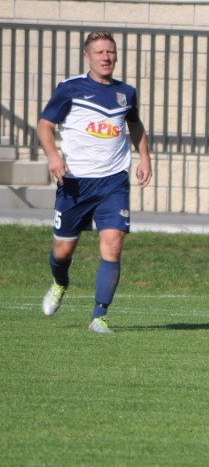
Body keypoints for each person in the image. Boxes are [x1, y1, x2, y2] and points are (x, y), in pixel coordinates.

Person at [37, 31, 153, 334]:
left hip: (113, 182)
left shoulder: (126, 92)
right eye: (100, 52)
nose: (106, 57)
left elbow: (135, 124)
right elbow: (45, 125)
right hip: (74, 182)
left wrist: (145, 157)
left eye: (110, 52)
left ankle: (99, 316)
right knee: (62, 252)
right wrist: (52, 156)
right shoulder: (70, 89)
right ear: (87, 56)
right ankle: (60, 283)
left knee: (113, 247)